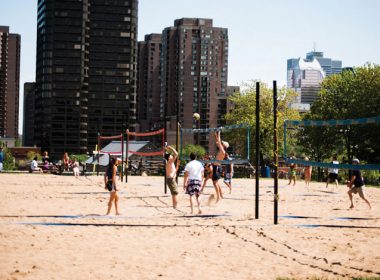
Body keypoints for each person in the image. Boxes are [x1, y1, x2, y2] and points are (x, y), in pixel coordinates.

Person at [212, 131, 228, 202]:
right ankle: (220, 195)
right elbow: (217, 142)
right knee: (216, 183)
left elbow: (218, 141)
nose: (221, 143)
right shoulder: (222, 150)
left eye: (222, 143)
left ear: (223, 146)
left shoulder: (222, 151)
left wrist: (219, 133)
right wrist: (216, 136)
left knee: (215, 183)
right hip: (217, 167)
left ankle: (218, 197)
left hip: (216, 168)